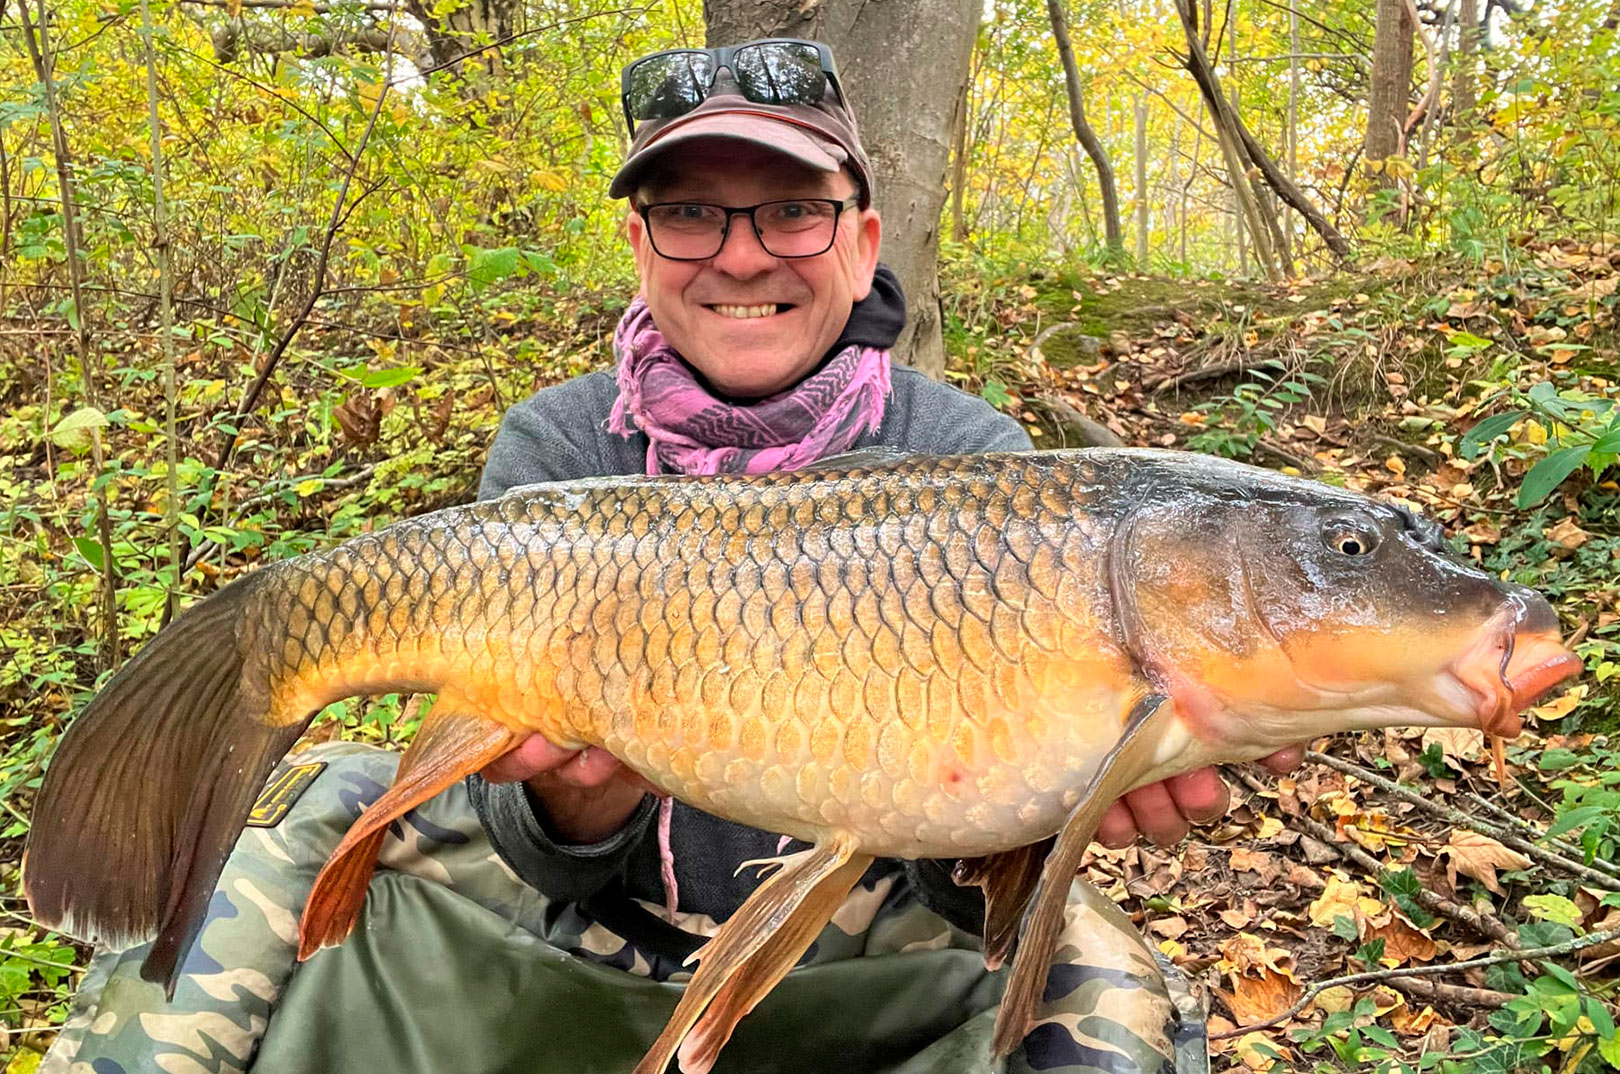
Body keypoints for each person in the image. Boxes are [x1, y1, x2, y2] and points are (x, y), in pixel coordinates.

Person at [42, 39, 1299, 1074]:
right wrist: (570, 801)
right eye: (691, 214)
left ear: (862, 242)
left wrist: (1062, 803)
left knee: (1114, 996)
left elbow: (959, 849)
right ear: (644, 251)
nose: (742, 254)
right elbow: (527, 835)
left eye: (793, 212)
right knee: (314, 809)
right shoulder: (558, 443)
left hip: (850, 932)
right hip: (579, 928)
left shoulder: (971, 454)